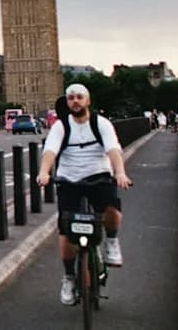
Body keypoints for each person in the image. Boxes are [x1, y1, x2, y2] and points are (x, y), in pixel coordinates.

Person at [37, 83, 133, 307]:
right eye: (71, 98)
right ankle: (69, 277)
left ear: (88, 101)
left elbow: (113, 150)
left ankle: (111, 241)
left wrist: (119, 172)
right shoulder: (61, 127)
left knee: (111, 209)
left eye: (79, 97)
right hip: (69, 179)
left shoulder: (101, 124)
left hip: (98, 174)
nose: (75, 101)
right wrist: (44, 171)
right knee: (66, 228)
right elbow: (50, 150)